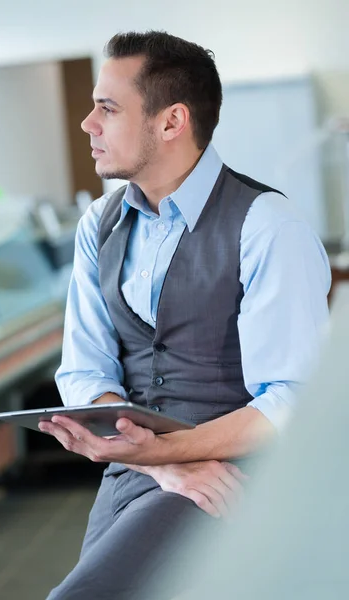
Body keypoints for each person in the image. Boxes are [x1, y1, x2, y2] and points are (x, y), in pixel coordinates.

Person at [41, 30, 331, 599]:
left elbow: (292, 401)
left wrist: (166, 456)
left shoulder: (268, 226)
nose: (87, 125)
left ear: (171, 122)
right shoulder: (97, 225)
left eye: (107, 108)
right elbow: (85, 372)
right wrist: (157, 464)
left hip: (234, 483)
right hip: (133, 481)